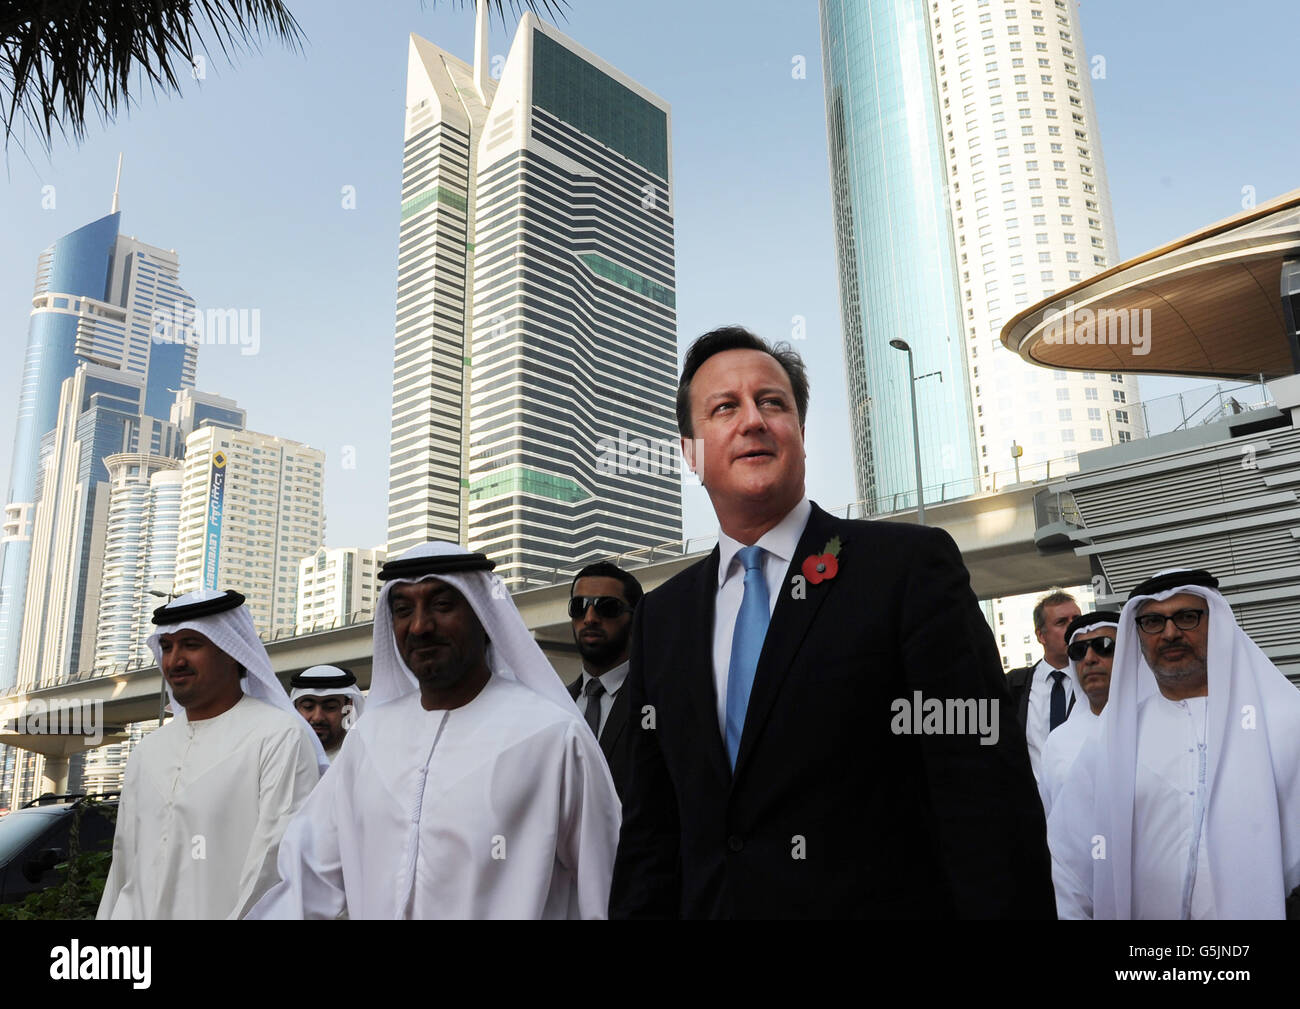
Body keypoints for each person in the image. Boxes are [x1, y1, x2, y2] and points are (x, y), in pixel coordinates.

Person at [609, 326, 1054, 919]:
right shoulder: (662, 618)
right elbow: (651, 834)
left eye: (773, 402)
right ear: (690, 452)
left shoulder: (906, 570)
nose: (753, 420)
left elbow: (984, 800)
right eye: (724, 407)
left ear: (799, 431)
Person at [248, 542, 621, 919]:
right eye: (403, 610)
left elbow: (605, 886)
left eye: (442, 605)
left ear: (484, 617)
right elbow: (311, 883)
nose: (420, 626)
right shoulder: (369, 738)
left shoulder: (552, 736)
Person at [1048, 569, 1300, 919]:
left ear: (1217, 624)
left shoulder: (1283, 721)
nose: (1169, 633)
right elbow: (1069, 860)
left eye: (1186, 617)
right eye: (1152, 621)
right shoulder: (1114, 737)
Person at [98, 589, 324, 920]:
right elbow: (124, 869)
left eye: (191, 644)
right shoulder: (147, 752)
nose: (175, 660)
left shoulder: (278, 737)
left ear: (231, 650)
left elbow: (274, 869)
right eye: (167, 646)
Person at [567, 561, 642, 800]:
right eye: (579, 606)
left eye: (607, 607)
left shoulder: (661, 701)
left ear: (635, 618)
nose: (590, 618)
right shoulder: (552, 703)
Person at [1037, 610, 1118, 816]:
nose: (1089, 658)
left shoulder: (1159, 727)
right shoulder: (1058, 741)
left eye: (1104, 646)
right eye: (1079, 650)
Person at [1005, 589, 1081, 782]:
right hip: (1034, 807)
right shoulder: (1015, 686)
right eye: (1062, 622)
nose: (1074, 628)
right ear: (1041, 636)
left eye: (1077, 619)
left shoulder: (1100, 681)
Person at [290, 665, 365, 762]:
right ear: (296, 708)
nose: (318, 717)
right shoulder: (284, 757)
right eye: (308, 706)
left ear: (348, 708)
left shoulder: (363, 757)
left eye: (330, 707)